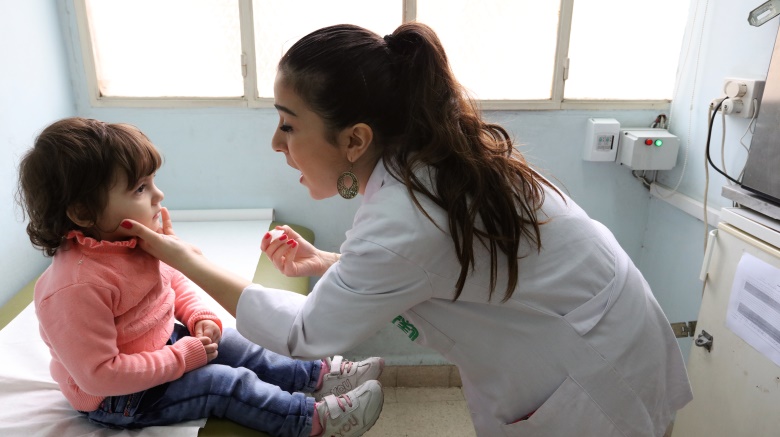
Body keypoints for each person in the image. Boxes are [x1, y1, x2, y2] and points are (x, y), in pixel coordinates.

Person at [121, 23, 693, 437]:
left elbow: (305, 334)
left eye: (288, 125)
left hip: (588, 367)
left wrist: (181, 256)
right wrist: (329, 264)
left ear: (355, 140)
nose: (277, 143)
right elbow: (427, 268)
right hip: (603, 320)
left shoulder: (408, 214)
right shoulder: (429, 162)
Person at [15, 117, 385, 437]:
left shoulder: (128, 242)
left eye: (152, 182)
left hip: (161, 347)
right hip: (121, 397)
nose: (159, 195)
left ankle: (317, 376)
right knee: (224, 384)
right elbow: (100, 375)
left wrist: (199, 317)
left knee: (238, 340)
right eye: (140, 188)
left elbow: (170, 282)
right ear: (82, 212)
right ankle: (310, 420)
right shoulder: (76, 287)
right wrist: (182, 358)